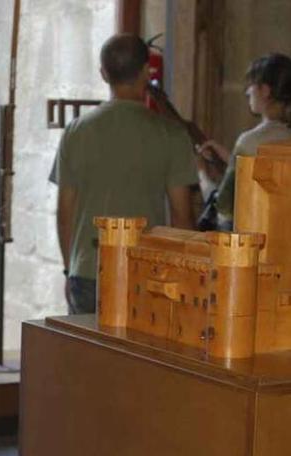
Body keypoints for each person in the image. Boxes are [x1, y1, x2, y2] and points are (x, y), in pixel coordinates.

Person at [54, 33, 197, 314]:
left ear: (103, 74)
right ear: (147, 70)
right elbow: (182, 216)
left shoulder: (76, 132)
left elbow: (64, 212)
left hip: (87, 269)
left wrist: (69, 268)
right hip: (146, 271)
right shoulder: (172, 134)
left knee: (89, 356)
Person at [199, 53, 291, 231]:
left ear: (265, 91)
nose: (247, 91)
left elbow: (225, 207)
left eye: (251, 85)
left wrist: (202, 175)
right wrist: (231, 159)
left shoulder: (250, 142)